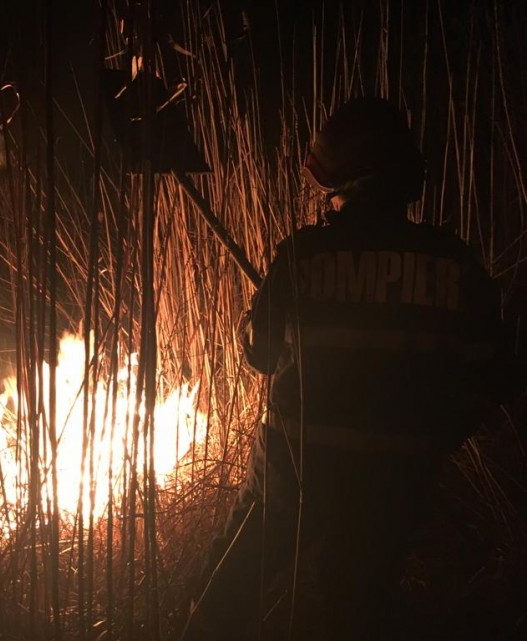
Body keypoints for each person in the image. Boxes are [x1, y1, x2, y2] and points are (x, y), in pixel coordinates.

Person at [181, 96, 505, 640]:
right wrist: (431, 438)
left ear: (345, 183)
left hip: (293, 474)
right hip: (393, 485)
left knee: (222, 596)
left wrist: (252, 321)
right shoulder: (453, 265)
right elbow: (487, 377)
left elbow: (260, 353)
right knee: (355, 612)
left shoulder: (304, 256)